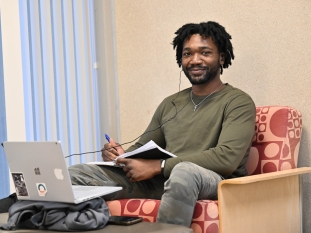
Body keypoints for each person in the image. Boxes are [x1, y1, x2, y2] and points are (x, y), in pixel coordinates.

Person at [68, 21, 256, 227]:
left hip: (217, 182)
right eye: (187, 54)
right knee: (77, 173)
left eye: (204, 53)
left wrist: (159, 166)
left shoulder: (238, 102)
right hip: (167, 178)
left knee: (184, 171)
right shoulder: (171, 103)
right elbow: (143, 147)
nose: (195, 60)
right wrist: (122, 156)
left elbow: (227, 158)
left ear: (221, 57)